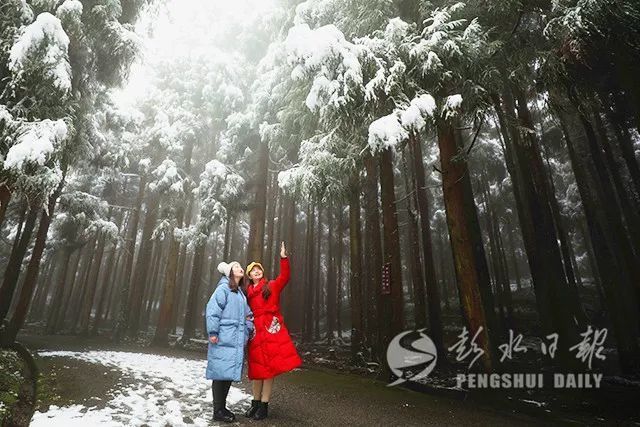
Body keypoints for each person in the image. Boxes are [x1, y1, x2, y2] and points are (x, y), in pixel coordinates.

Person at [244, 241, 302, 420]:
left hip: (270, 330)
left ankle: (264, 404)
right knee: (256, 370)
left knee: (269, 369)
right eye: (253, 270)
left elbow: (285, 276)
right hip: (255, 333)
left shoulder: (271, 286)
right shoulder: (247, 293)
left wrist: (284, 258)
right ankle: (254, 403)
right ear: (249, 275)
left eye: (259, 269)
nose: (257, 271)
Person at [205, 260, 254, 423]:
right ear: (229, 273)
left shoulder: (240, 293)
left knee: (226, 374)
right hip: (223, 337)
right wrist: (213, 331)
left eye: (241, 267)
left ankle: (222, 407)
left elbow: (249, 316)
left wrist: (247, 331)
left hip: (236, 340)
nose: (241, 269)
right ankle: (217, 410)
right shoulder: (223, 288)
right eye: (236, 267)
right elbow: (212, 311)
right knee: (220, 374)